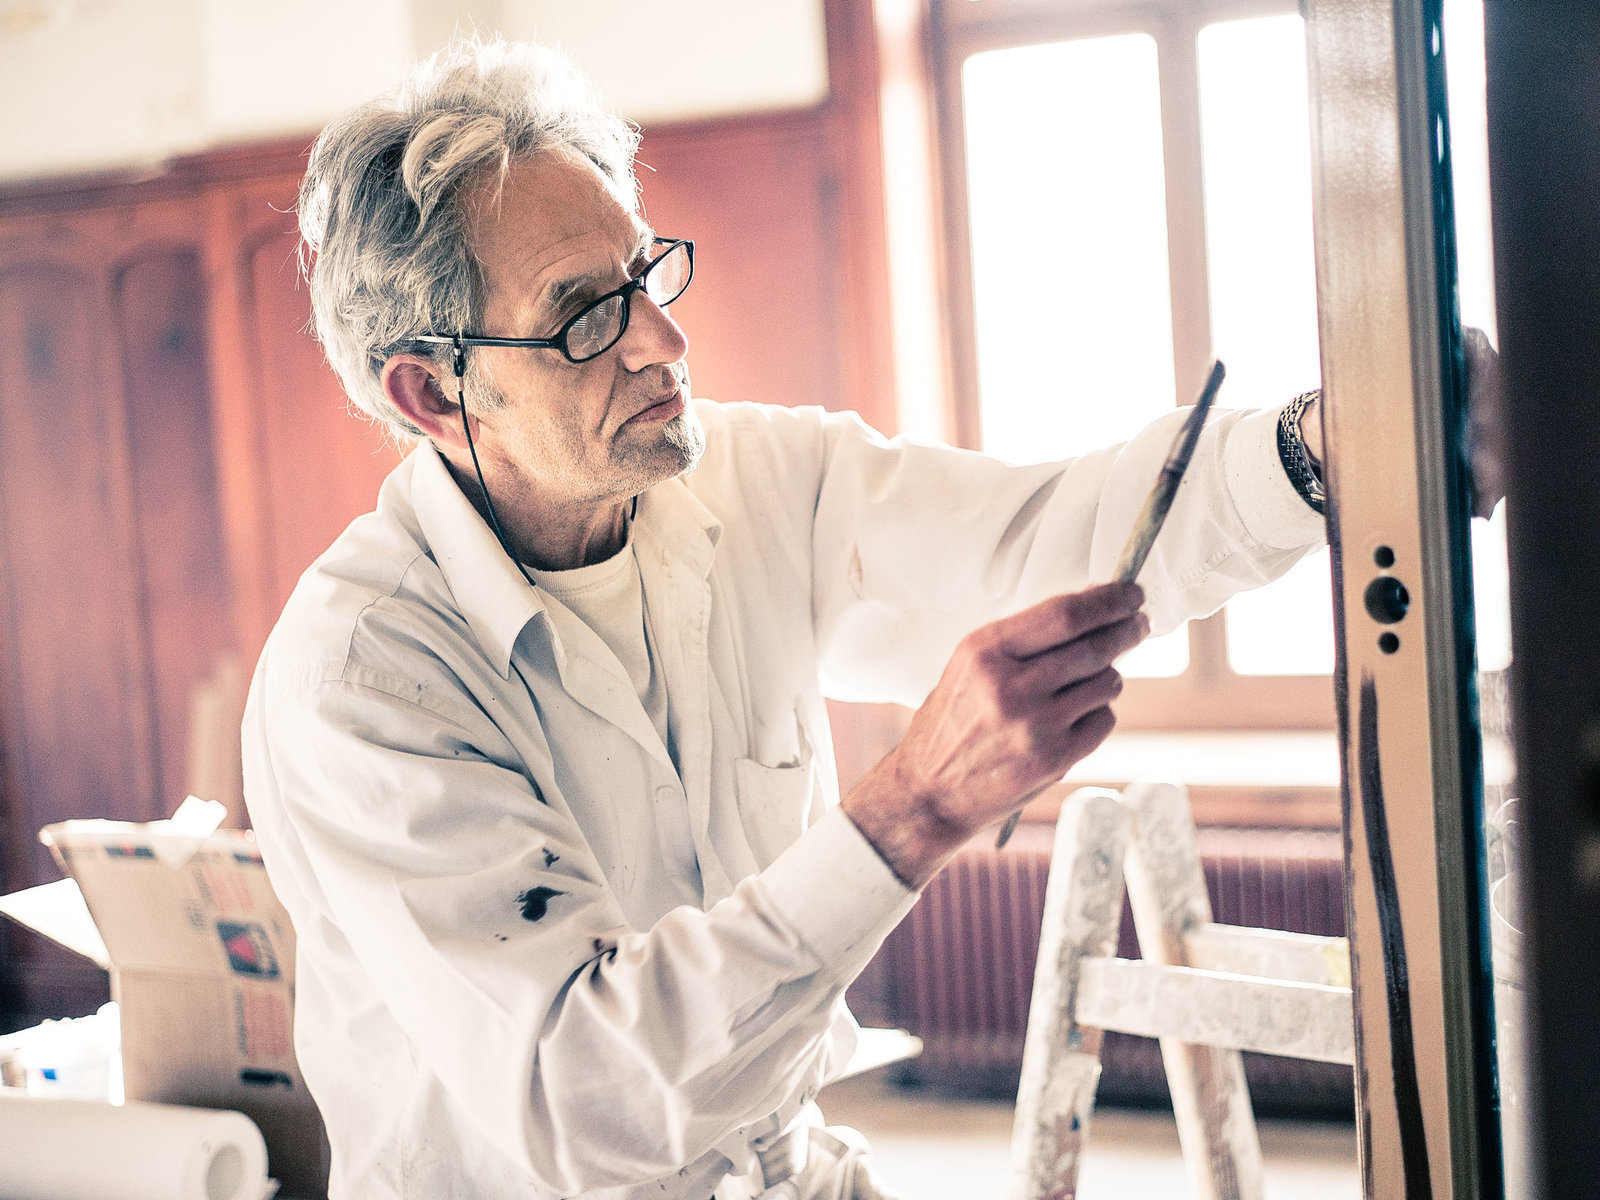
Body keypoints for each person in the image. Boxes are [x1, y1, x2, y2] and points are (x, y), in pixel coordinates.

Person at [240, 36, 1472, 1200]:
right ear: (433, 392)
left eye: (643, 276)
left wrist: (1333, 448)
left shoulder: (750, 479)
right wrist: (913, 805)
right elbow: (589, 1096)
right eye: (583, 314)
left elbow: (1052, 536)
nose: (665, 341)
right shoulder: (361, 679)